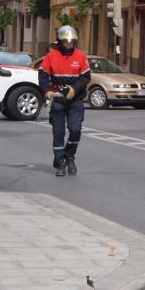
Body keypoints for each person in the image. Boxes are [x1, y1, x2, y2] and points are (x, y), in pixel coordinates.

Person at [38, 25, 91, 177]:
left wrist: (74, 88)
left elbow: (85, 76)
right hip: (58, 99)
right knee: (58, 132)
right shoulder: (51, 56)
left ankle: (70, 156)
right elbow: (43, 76)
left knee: (75, 130)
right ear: (60, 41)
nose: (68, 44)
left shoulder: (81, 56)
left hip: (75, 99)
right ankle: (60, 162)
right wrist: (46, 90)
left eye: (71, 41)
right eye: (65, 41)